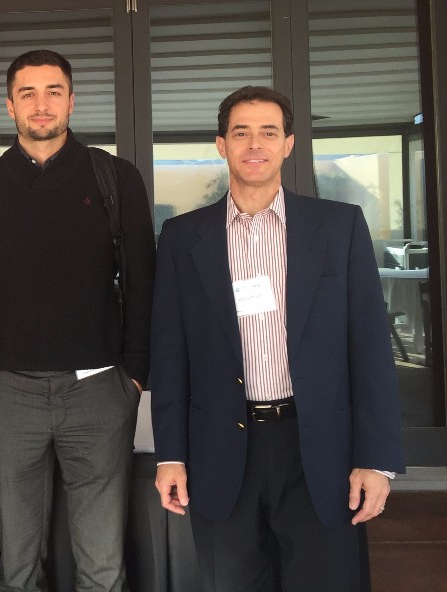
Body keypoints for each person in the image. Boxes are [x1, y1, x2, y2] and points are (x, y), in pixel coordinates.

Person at [151, 86, 405, 591]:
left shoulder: (338, 227)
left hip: (320, 448)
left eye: (269, 132)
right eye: (240, 133)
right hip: (221, 447)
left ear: (288, 143)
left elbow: (370, 348)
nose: (255, 144)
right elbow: (170, 352)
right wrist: (170, 455)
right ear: (221, 145)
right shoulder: (183, 237)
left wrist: (376, 459)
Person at [0, 49, 155, 591]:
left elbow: (142, 284)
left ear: (71, 99)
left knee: (103, 567)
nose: (42, 105)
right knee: (16, 568)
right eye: (28, 93)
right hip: (5, 395)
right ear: (10, 105)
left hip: (99, 392)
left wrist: (132, 377)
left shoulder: (115, 178)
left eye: (53, 91)